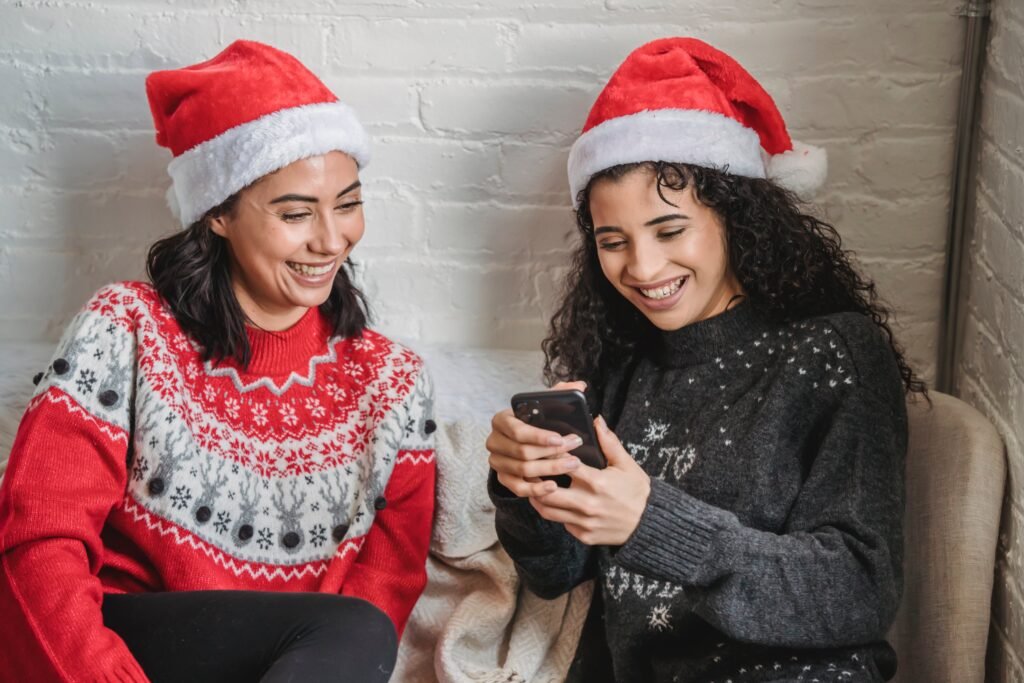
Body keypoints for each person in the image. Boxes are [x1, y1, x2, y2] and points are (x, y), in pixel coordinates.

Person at [486, 37, 923, 683]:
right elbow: (556, 572)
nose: (643, 268)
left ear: (736, 217)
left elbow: (859, 589)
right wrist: (523, 488)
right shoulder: (623, 362)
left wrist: (651, 522)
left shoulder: (832, 352)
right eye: (613, 241)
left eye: (670, 230)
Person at [0, 40, 436, 683]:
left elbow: (385, 586)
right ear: (219, 215)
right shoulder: (126, 328)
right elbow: (39, 537)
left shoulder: (392, 383)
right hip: (117, 651)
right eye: (296, 213)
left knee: (360, 627)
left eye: (348, 204)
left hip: (298, 664)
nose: (330, 239)